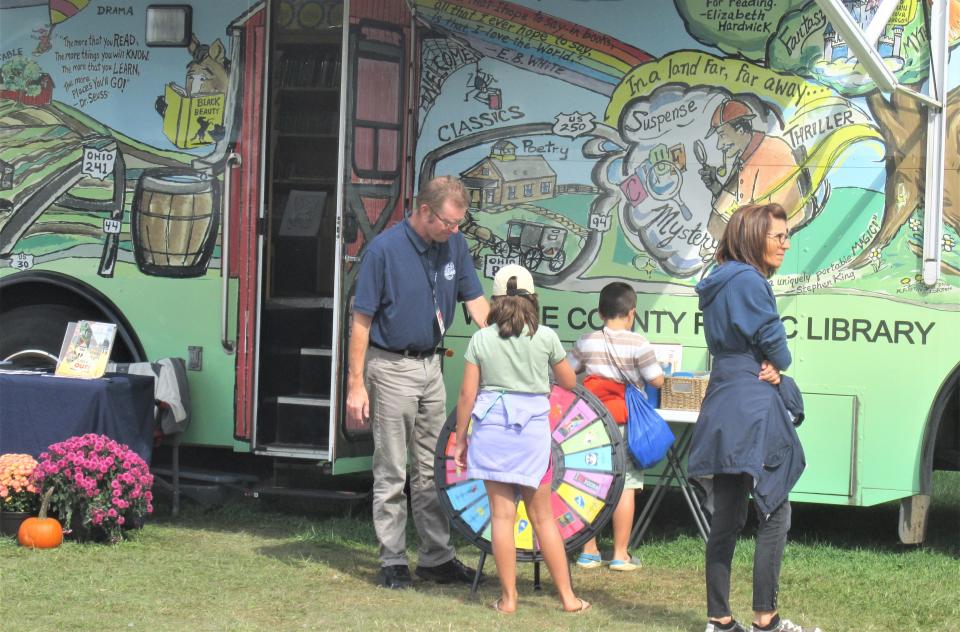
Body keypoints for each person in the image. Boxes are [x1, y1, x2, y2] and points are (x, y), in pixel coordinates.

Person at [346, 175, 490, 590]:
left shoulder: (455, 245)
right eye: (448, 222)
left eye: (459, 223)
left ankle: (436, 558)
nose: (455, 230)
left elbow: (476, 302)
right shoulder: (383, 251)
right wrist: (356, 384)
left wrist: (510, 338)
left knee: (432, 467)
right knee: (392, 468)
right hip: (390, 367)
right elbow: (361, 321)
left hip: (431, 366)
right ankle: (392, 561)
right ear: (424, 211)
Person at [688, 203, 820, 632]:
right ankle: (766, 618)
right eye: (777, 236)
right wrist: (777, 364)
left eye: (787, 235)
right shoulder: (751, 280)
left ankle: (719, 620)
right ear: (752, 237)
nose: (786, 243)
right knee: (775, 512)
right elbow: (776, 345)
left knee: (726, 518)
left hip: (723, 396)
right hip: (752, 402)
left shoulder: (718, 281)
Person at [453, 264, 590, 615]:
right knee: (544, 518)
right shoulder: (545, 336)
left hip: (491, 431)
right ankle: (568, 598)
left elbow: (467, 395)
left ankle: (509, 599)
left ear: (496, 300)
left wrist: (461, 441)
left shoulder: (481, 339)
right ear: (534, 299)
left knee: (502, 517)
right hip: (531, 435)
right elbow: (569, 382)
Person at [567, 281, 664, 572]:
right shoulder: (639, 343)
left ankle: (588, 550)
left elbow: (567, 372)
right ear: (632, 313)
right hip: (625, 423)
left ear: (600, 312)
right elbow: (656, 379)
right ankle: (620, 554)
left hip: (592, 426)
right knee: (626, 486)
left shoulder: (587, 341)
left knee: (591, 484)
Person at [698, 100, 804, 241]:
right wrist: (715, 185)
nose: (719, 145)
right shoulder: (746, 158)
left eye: (722, 135)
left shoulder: (770, 154)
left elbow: (787, 215)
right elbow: (723, 207)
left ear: (740, 130)